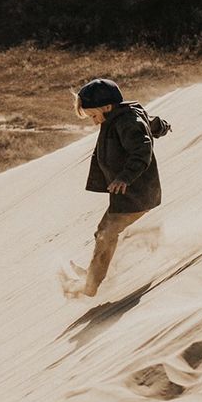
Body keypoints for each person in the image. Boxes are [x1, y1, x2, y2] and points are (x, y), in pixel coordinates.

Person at [67, 77, 171, 297]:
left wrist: (124, 177)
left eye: (94, 116)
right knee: (104, 233)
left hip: (136, 192)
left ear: (107, 107)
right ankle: (93, 276)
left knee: (106, 234)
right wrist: (161, 126)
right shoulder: (121, 117)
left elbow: (142, 150)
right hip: (129, 194)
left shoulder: (127, 121)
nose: (95, 122)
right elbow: (150, 124)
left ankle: (90, 286)